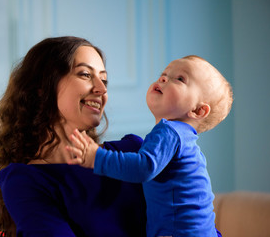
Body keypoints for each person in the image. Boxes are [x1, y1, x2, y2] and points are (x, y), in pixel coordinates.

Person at [0, 36, 147, 237]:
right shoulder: (24, 181)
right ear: (43, 87)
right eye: (85, 74)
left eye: (104, 79)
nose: (101, 89)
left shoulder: (135, 153)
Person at [66, 55, 233, 237]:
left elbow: (143, 167)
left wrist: (96, 156)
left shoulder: (170, 131)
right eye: (164, 74)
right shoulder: (184, 140)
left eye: (180, 79)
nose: (163, 78)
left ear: (197, 110)